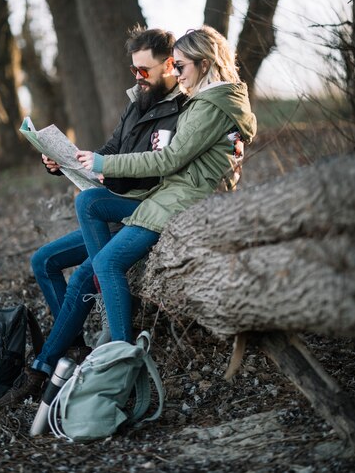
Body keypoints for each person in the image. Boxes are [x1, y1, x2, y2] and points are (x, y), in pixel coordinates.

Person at [0, 26, 185, 407]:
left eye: (144, 71)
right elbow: (109, 150)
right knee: (43, 261)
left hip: (140, 207)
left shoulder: (179, 111)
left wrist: (104, 170)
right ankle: (76, 346)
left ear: (169, 65)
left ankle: (44, 367)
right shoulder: (136, 106)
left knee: (85, 270)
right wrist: (64, 161)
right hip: (110, 204)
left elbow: (156, 170)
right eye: (133, 70)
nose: (137, 78)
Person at [74, 25, 257, 344]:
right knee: (90, 203)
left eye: (180, 66)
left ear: (205, 63)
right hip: (171, 195)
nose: (176, 72)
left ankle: (119, 351)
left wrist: (105, 164)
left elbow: (169, 161)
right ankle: (114, 309)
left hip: (182, 202)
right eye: (173, 65)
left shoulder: (211, 107)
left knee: (106, 262)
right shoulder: (208, 101)